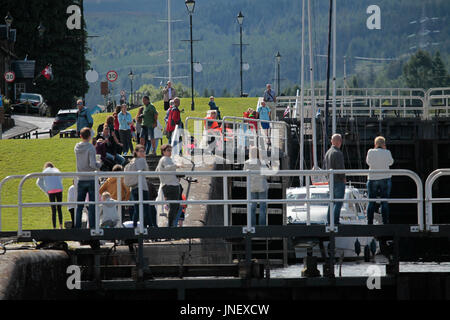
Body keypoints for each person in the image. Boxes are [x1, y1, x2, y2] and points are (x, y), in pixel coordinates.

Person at [74, 127, 102, 229]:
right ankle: (92, 228)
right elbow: (92, 164)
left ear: (80, 136)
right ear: (90, 136)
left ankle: (77, 227)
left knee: (79, 206)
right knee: (92, 205)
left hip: (80, 178)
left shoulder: (76, 147)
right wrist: (99, 164)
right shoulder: (91, 148)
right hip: (90, 178)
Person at [127, 145, 157, 228]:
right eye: (141, 151)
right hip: (142, 186)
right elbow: (147, 173)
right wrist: (144, 160)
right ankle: (150, 228)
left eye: (143, 151)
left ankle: (135, 226)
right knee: (146, 208)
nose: (143, 153)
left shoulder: (131, 162)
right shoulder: (141, 160)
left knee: (137, 209)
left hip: (133, 187)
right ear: (136, 152)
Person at [366, 136, 394, 225]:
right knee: (384, 201)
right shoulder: (387, 152)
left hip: (373, 178)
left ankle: (369, 222)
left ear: (375, 144)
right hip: (385, 178)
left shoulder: (370, 151)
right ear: (384, 144)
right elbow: (391, 162)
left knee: (371, 201)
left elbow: (368, 162)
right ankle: (385, 222)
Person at [156, 144, 181, 227]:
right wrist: (176, 165)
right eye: (168, 150)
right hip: (171, 185)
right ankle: (170, 226)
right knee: (174, 206)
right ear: (163, 152)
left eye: (170, 150)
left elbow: (157, 170)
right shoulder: (165, 159)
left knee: (174, 206)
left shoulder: (163, 160)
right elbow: (167, 168)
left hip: (167, 185)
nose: (170, 152)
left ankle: (171, 224)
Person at [324, 133, 346, 225]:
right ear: (339, 142)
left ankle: (329, 221)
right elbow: (340, 168)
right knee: (338, 202)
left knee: (331, 202)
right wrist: (343, 178)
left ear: (331, 141)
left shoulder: (328, 152)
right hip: (338, 181)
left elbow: (325, 167)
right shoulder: (338, 153)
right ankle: (335, 221)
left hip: (331, 180)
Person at [244, 146, 268, 226]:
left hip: (252, 187)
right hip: (262, 187)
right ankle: (262, 227)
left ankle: (252, 226)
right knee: (262, 208)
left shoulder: (247, 162)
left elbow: (244, 173)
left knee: (252, 208)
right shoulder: (261, 162)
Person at [36, 162, 64, 229]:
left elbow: (38, 182)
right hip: (59, 189)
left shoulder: (44, 171)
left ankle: (54, 227)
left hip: (51, 191)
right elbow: (60, 178)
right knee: (59, 209)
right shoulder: (57, 170)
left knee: (53, 210)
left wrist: (46, 190)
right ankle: (61, 226)